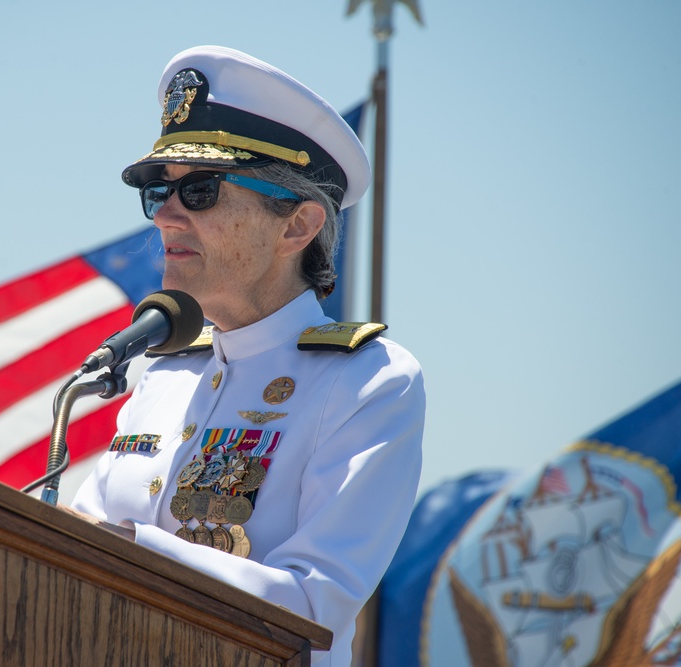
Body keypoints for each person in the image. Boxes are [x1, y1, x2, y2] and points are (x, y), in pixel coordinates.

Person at [67, 45, 425, 666]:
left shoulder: (370, 381)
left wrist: (133, 552)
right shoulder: (163, 371)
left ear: (297, 227)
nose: (167, 217)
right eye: (158, 191)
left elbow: (314, 609)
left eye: (200, 191)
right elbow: (65, 550)